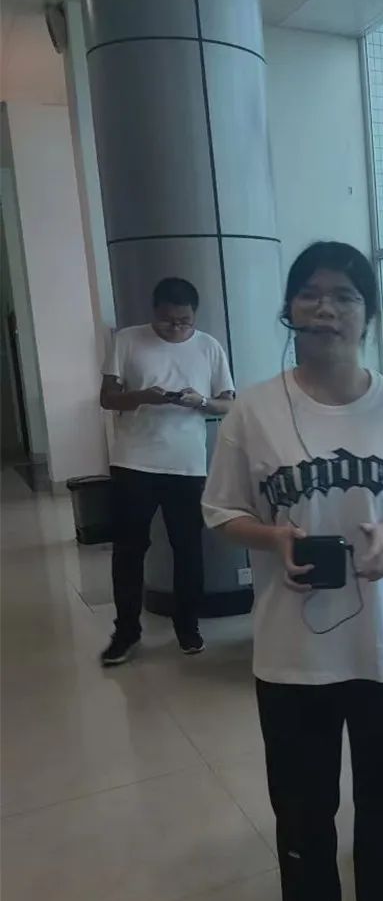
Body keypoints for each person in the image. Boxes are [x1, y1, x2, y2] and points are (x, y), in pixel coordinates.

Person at [201, 241, 383, 901]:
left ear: (368, 313)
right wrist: (273, 538)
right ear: (289, 309)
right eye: (310, 293)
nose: (326, 307)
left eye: (345, 295)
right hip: (293, 650)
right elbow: (221, 510)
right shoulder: (253, 411)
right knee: (304, 804)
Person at [100, 277, 235, 666]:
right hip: (132, 461)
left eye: (184, 321)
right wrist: (143, 397)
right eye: (167, 321)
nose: (176, 328)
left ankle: (187, 626)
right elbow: (107, 398)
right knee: (129, 550)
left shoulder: (209, 347)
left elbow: (229, 403)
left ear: (195, 316)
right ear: (153, 312)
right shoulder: (128, 340)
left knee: (188, 548)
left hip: (186, 464)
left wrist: (200, 402)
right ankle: (126, 631)